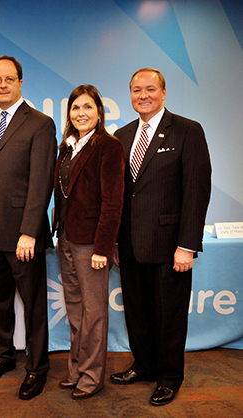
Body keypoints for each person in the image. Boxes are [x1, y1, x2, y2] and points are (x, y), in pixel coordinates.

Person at [110, 68, 211, 406]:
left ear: (164, 92)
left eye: (150, 89)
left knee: (169, 316)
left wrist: (187, 245)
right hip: (130, 244)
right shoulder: (121, 136)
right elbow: (119, 195)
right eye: (137, 90)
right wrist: (114, 241)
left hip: (171, 247)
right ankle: (144, 364)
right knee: (137, 312)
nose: (143, 95)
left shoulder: (187, 130)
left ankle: (169, 377)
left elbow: (197, 191)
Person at [0, 55, 57, 400]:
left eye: (9, 79)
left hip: (23, 237)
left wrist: (30, 231)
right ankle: (3, 356)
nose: (3, 85)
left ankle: (37, 368)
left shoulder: (39, 123)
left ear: (21, 82)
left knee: (33, 306)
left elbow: (40, 184)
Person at [53, 85, 125, 400]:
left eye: (87, 107)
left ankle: (92, 377)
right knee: (75, 310)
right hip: (66, 238)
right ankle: (76, 370)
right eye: (75, 108)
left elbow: (113, 203)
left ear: (98, 112)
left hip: (91, 244)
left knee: (94, 312)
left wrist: (103, 249)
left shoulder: (109, 146)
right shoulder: (67, 147)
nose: (81, 113)